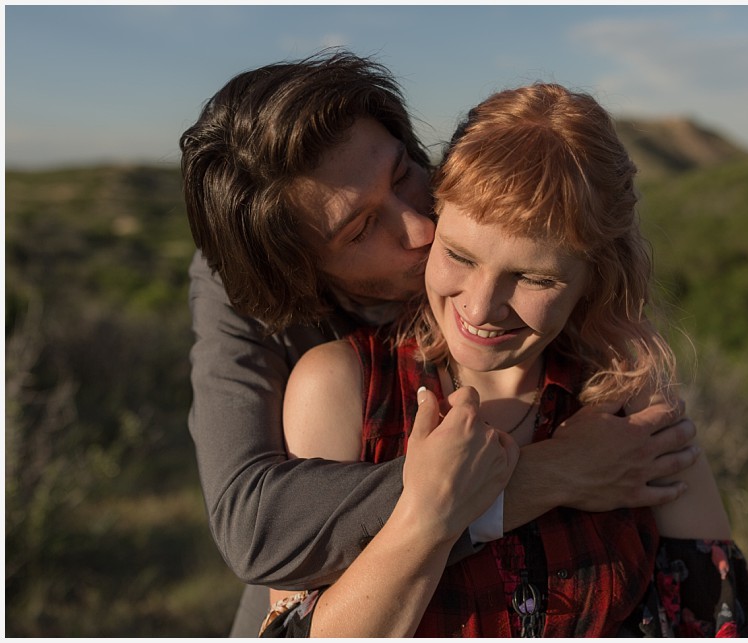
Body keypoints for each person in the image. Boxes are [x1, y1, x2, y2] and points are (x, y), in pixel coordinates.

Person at [180, 50, 702, 636]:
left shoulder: (607, 365)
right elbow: (256, 524)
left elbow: (715, 597)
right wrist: (545, 475)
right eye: (361, 229)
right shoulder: (284, 330)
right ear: (300, 271)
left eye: (404, 172)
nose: (423, 226)